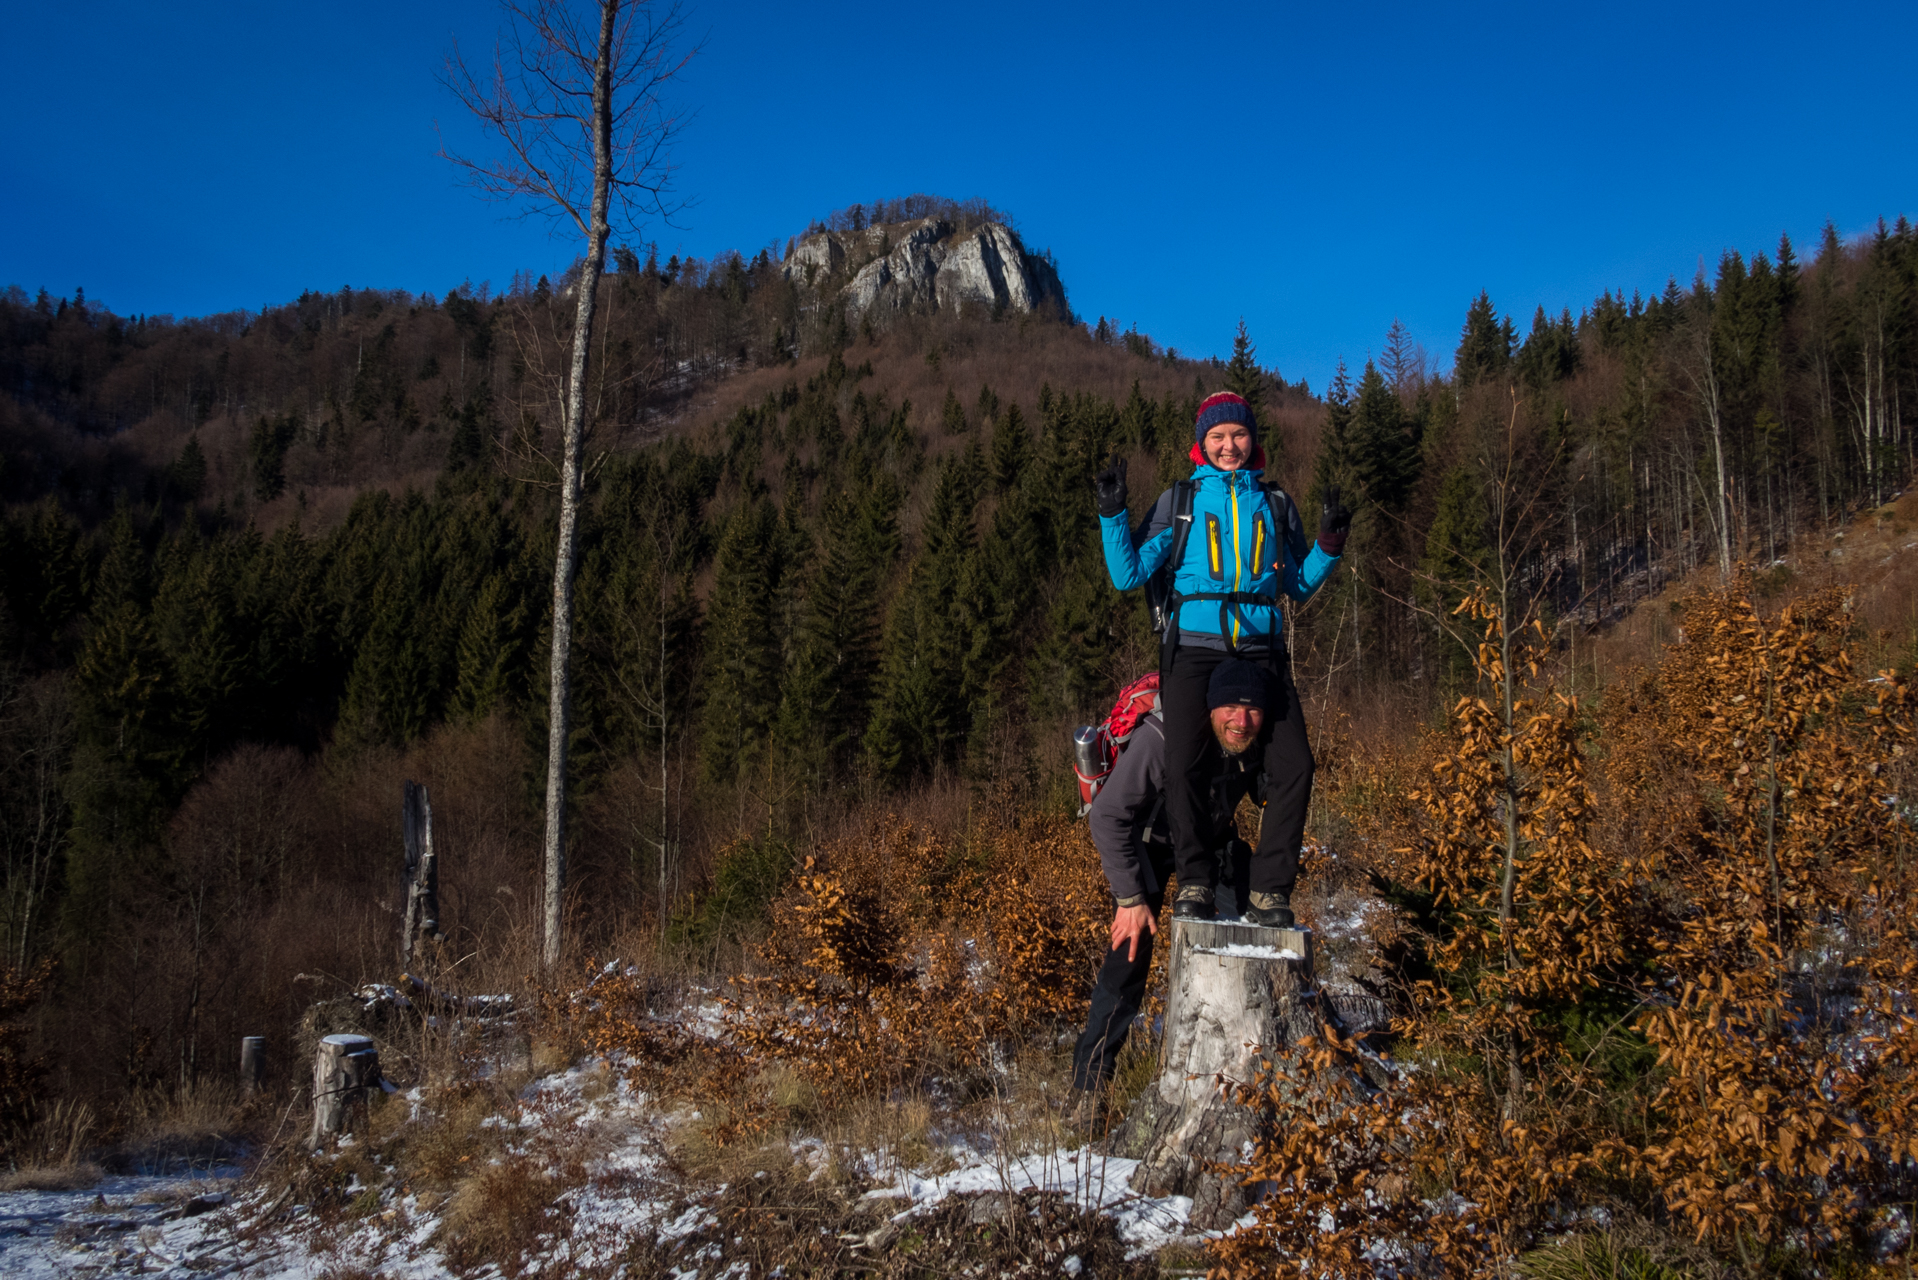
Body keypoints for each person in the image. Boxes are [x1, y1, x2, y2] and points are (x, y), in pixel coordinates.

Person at [1093, 390, 1348, 925]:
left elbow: (1297, 585)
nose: (1228, 445)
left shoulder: (1275, 503)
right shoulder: (1180, 502)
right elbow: (1128, 574)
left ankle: (1271, 891)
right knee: (1183, 764)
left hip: (1261, 647)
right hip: (1196, 647)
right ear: (1201, 443)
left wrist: (1328, 545)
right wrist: (1112, 513)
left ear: (1252, 441)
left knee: (1295, 764)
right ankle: (1195, 882)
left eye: (1237, 435)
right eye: (1217, 436)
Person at [1070, 659, 1272, 1092]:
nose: (1241, 721)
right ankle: (1088, 1090)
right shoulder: (1161, 738)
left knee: (1248, 938)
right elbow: (1106, 817)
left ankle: (1244, 1070)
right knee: (1128, 963)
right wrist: (1130, 899)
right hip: (1148, 844)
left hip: (1208, 843)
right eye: (1231, 709)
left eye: (1252, 710)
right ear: (1210, 705)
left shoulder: (1256, 735)